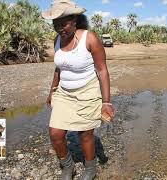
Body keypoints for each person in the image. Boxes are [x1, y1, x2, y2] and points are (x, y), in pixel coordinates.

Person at [42, 0, 115, 179]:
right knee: (56, 133)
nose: (60, 28)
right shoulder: (57, 40)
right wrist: (52, 90)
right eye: (55, 24)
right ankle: (68, 167)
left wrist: (106, 102)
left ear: (74, 20)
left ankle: (90, 169)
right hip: (64, 93)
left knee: (85, 135)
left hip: (87, 91)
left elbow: (102, 70)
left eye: (64, 23)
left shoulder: (89, 38)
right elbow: (59, 68)